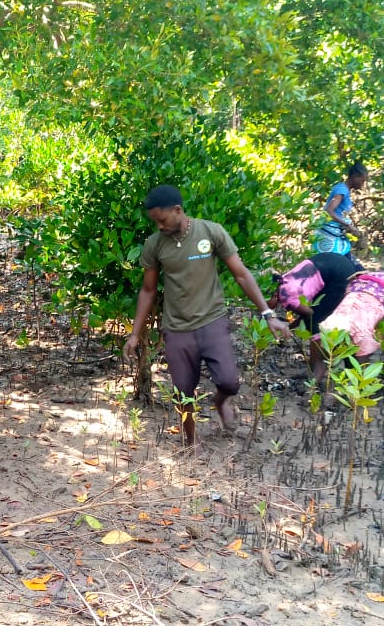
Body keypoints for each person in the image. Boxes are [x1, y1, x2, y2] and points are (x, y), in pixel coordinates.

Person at [124, 185, 290, 447]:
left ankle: (220, 400)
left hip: (212, 320)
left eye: (162, 220)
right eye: (155, 222)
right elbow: (148, 289)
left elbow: (241, 274)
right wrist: (135, 334)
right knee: (183, 393)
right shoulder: (154, 245)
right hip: (177, 328)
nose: (159, 227)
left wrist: (268, 314)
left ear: (177, 211)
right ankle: (190, 444)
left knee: (229, 381)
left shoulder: (211, 232)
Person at [270, 252, 360, 381]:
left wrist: (290, 327)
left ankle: (317, 370)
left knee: (316, 323)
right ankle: (317, 367)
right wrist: (290, 326)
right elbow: (306, 312)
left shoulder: (287, 297)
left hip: (339, 275)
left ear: (273, 295)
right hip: (334, 264)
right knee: (315, 318)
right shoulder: (283, 282)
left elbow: (310, 314)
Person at [319, 271, 384, 362]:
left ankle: (316, 375)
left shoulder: (371, 275)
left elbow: (351, 278)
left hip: (337, 319)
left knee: (325, 359)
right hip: (360, 324)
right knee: (360, 366)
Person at [313, 162, 368, 256]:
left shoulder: (343, 189)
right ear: (355, 177)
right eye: (362, 180)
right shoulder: (342, 190)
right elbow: (329, 210)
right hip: (329, 235)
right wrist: (347, 225)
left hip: (333, 233)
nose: (363, 184)